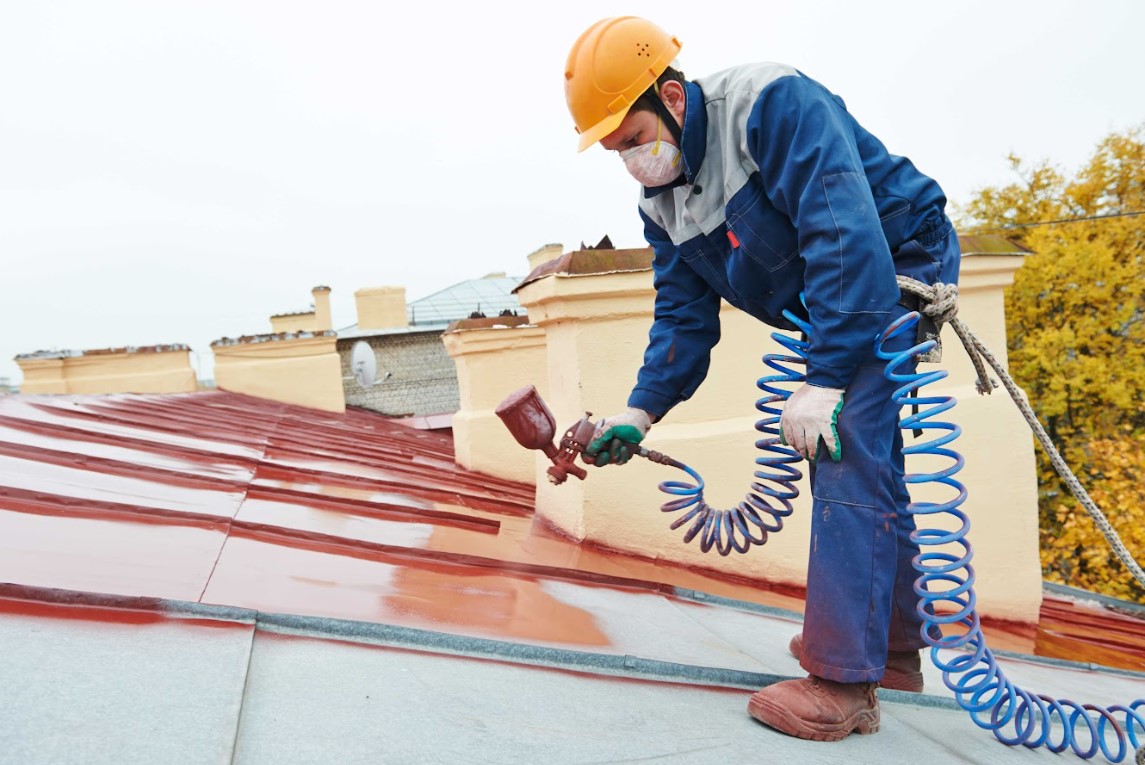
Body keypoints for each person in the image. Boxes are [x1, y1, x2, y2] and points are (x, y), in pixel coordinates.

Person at [564, 17, 959, 742]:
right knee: (865, 447)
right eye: (615, 151)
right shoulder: (663, 203)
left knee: (840, 442)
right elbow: (682, 321)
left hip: (893, 260)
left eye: (632, 138)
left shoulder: (771, 105)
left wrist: (826, 377)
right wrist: (639, 414)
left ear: (675, 99)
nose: (630, 161)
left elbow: (844, 233)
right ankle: (893, 651)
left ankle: (843, 682)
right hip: (833, 285)